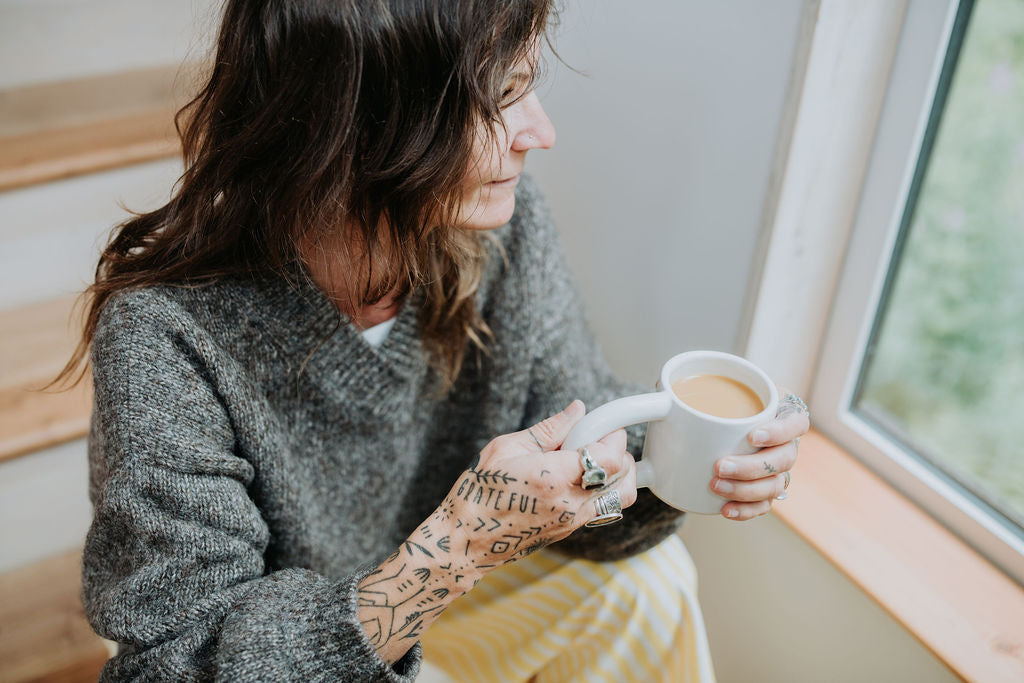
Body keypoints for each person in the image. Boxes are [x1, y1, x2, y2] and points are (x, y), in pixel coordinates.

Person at [66, 1, 809, 680]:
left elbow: (582, 449)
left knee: (653, 584)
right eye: (501, 96)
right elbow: (176, 662)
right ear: (362, 121)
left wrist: (687, 456)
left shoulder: (504, 233)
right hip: (289, 651)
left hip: (442, 590)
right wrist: (460, 545)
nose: (541, 134)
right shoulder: (166, 334)